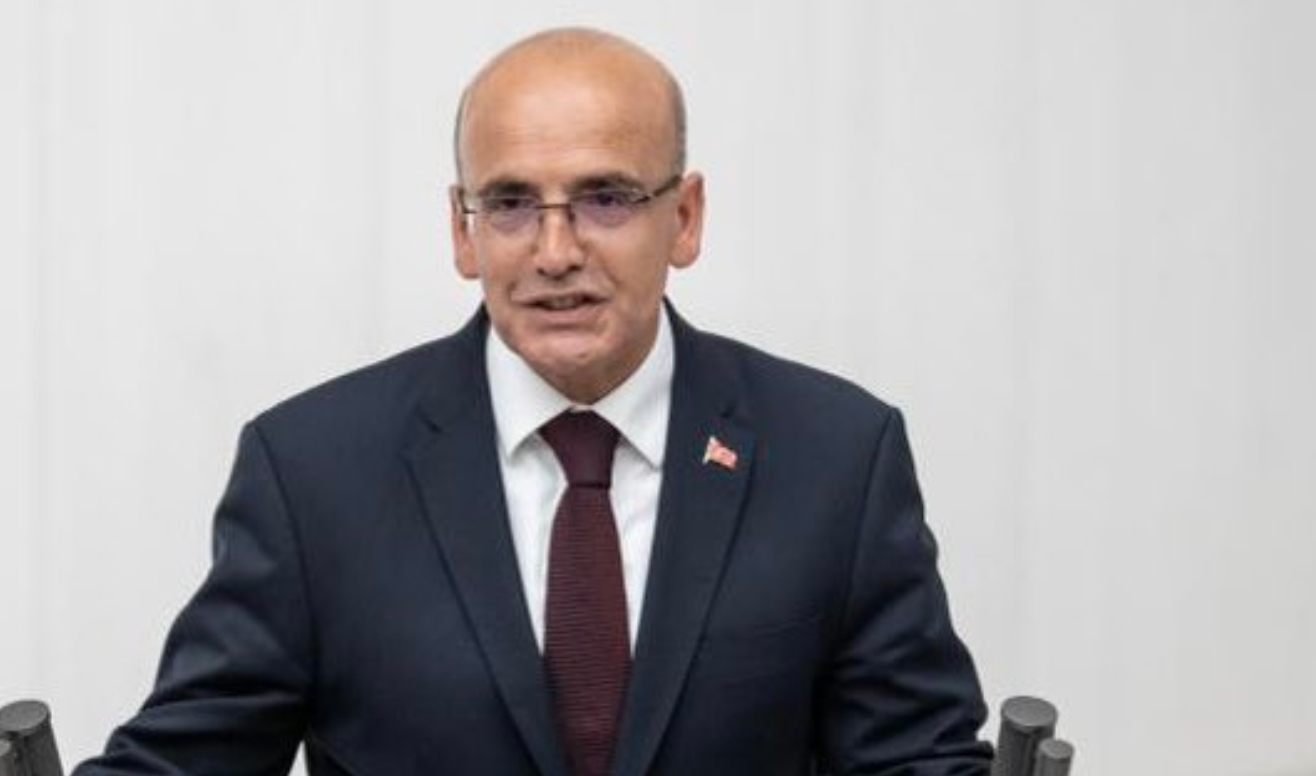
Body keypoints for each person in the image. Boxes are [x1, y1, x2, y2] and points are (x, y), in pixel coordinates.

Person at [74, 27, 992, 776]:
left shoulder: (837, 458)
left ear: (685, 218)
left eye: (606, 198)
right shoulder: (311, 475)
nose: (555, 252)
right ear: (461, 230)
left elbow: (915, 759)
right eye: (510, 204)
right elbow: (188, 760)